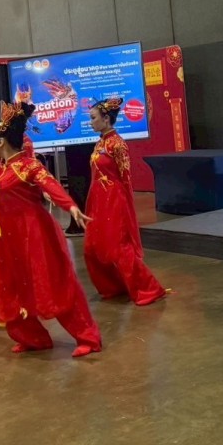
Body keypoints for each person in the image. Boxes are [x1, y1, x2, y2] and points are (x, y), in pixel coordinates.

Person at [0, 101, 101, 357]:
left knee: (53, 284)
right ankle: (32, 338)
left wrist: (71, 206)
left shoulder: (29, 166)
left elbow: (51, 185)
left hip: (34, 235)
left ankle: (88, 337)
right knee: (11, 288)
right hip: (7, 240)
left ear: (1, 142)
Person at [83, 98, 168, 304]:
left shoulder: (118, 144)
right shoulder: (100, 143)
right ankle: (112, 287)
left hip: (114, 201)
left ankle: (148, 288)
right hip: (98, 201)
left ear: (106, 119)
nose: (90, 122)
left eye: (93, 118)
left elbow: (125, 179)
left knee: (119, 248)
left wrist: (126, 208)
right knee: (91, 247)